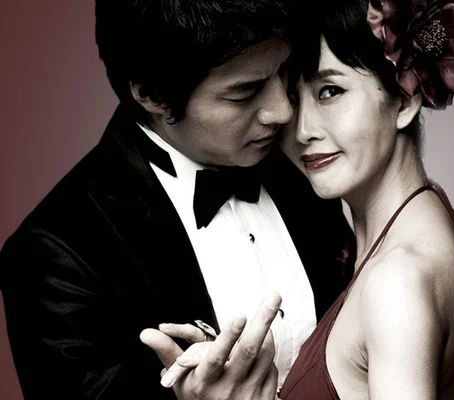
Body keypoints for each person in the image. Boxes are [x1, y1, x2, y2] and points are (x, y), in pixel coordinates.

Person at [0, 1, 354, 399]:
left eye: (284, 72)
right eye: (245, 93)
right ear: (151, 95)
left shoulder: (306, 156)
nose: (283, 111)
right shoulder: (56, 254)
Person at [162, 0, 454, 398]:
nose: (302, 129)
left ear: (405, 101)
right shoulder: (440, 223)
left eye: (330, 92)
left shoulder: (395, 281)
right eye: (293, 97)